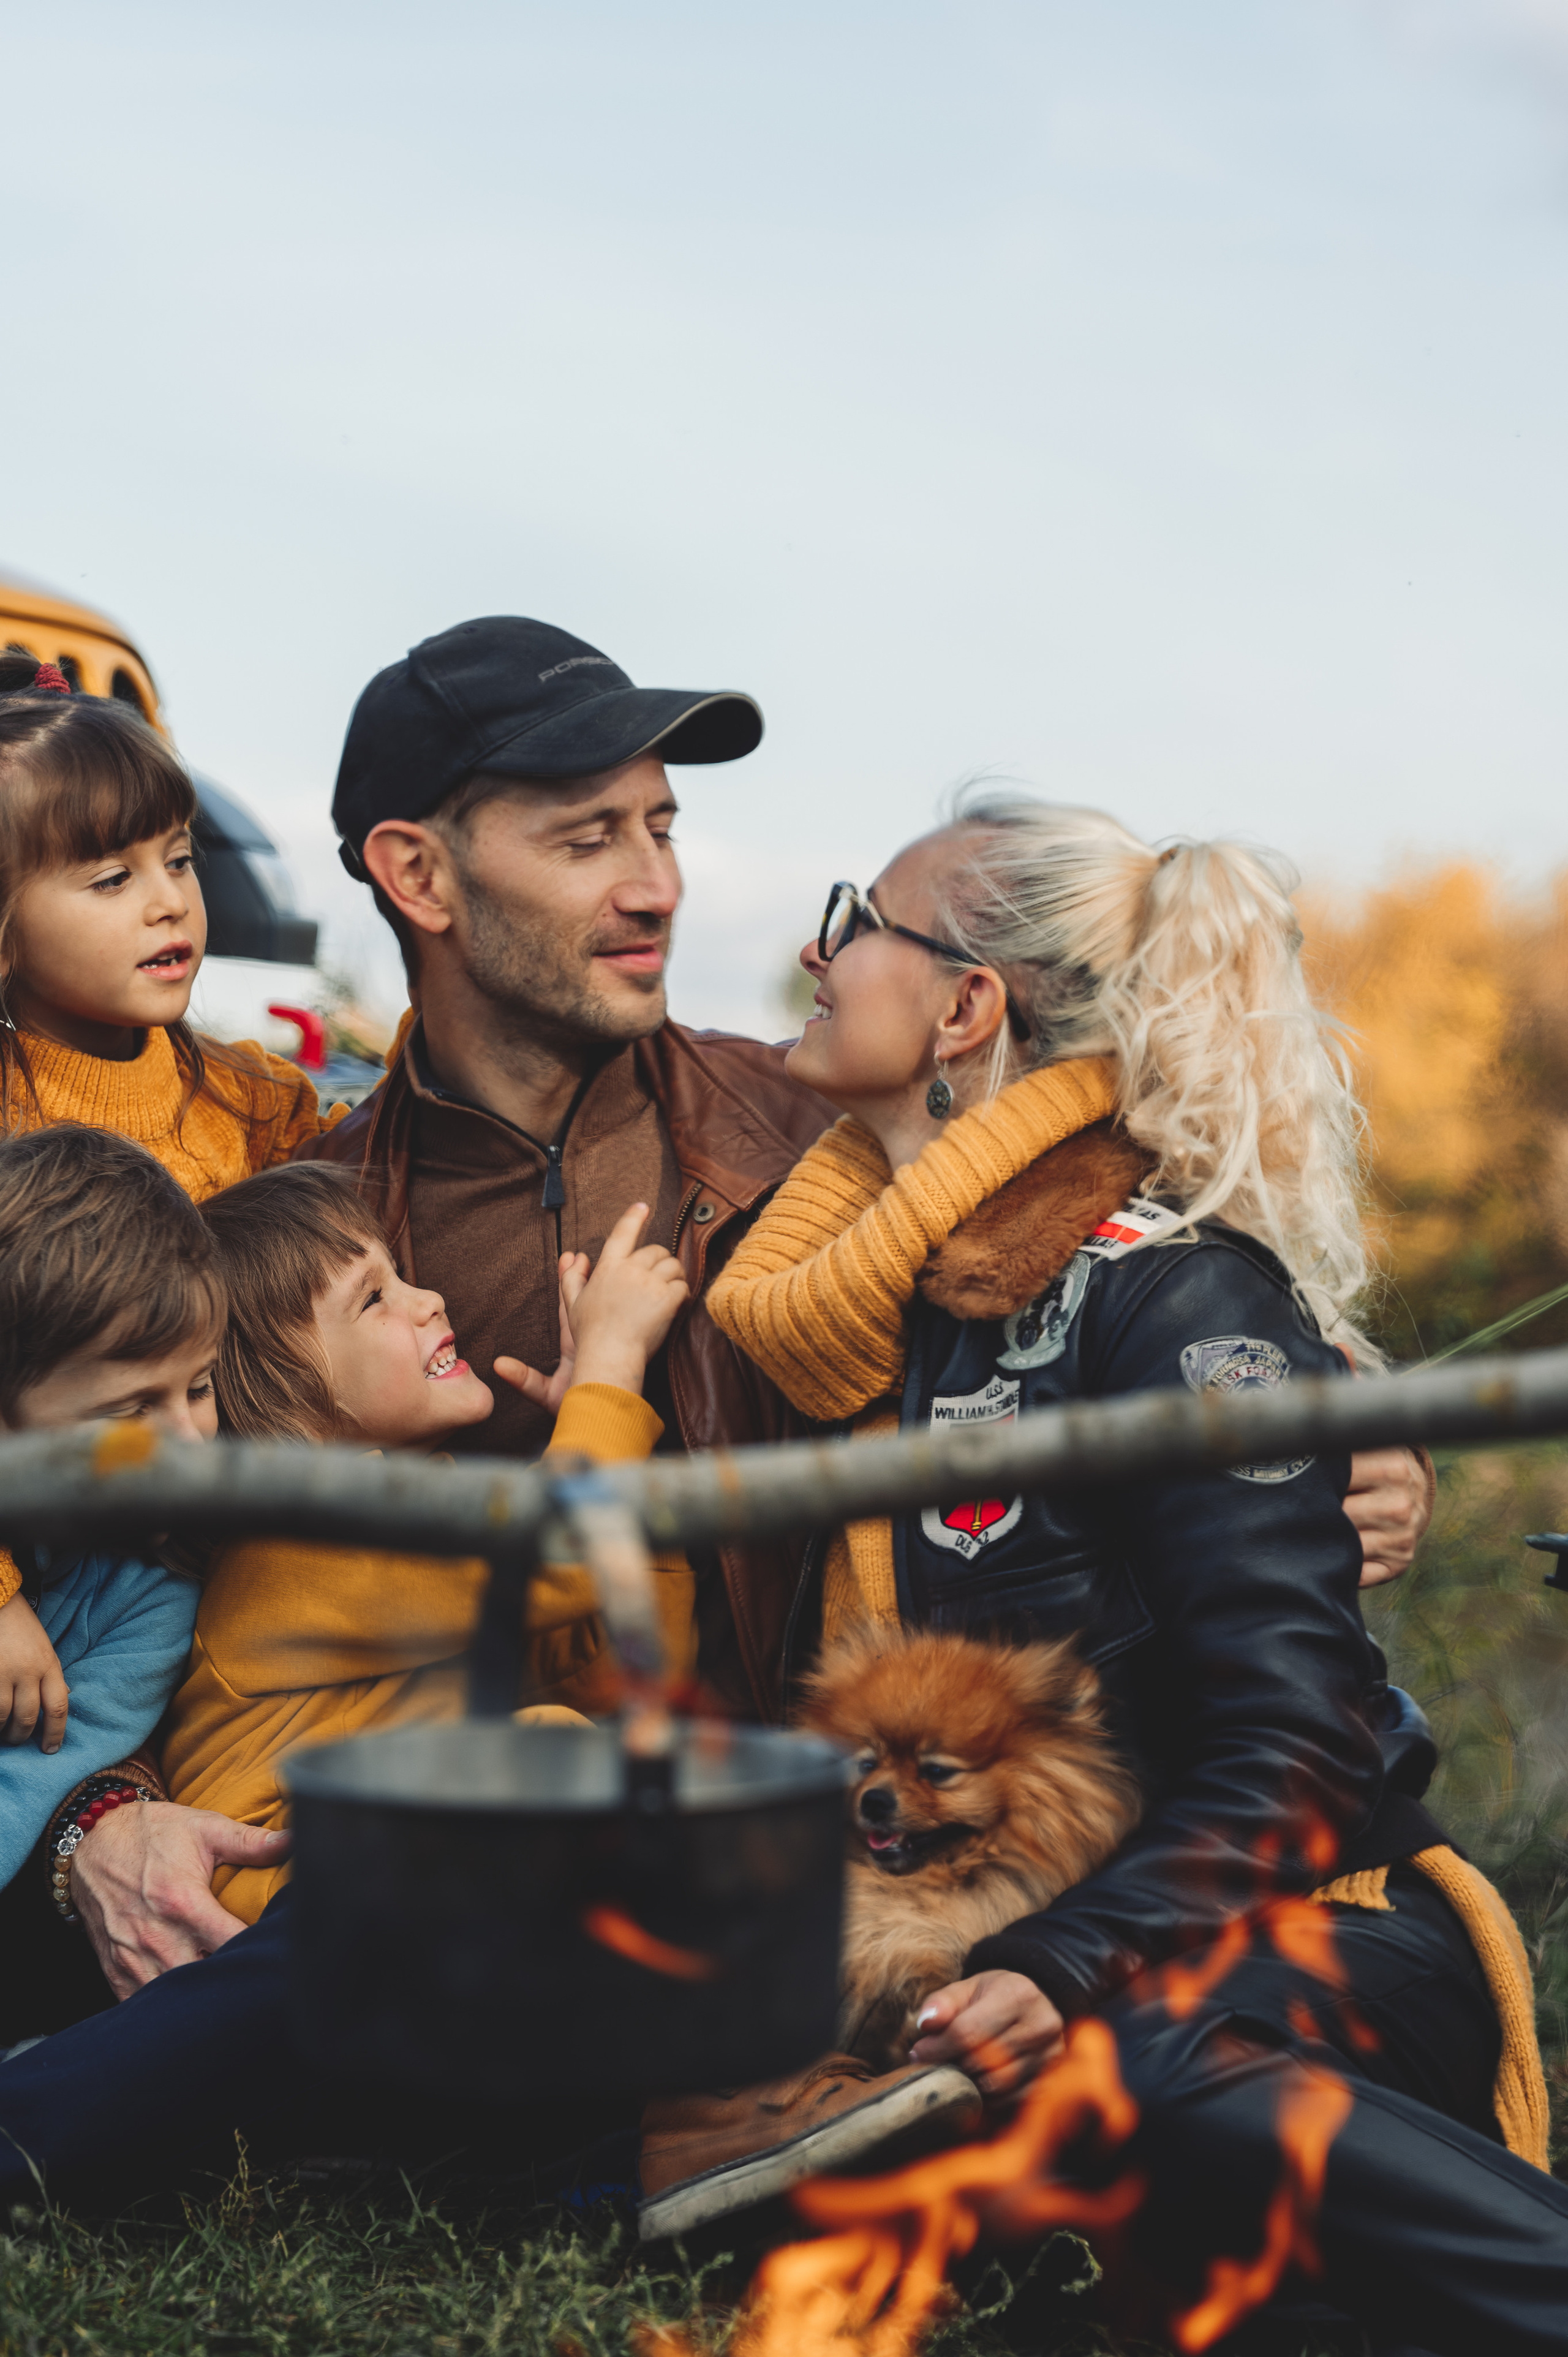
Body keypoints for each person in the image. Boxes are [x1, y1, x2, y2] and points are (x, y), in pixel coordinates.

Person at [666, 795, 1567, 2349]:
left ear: (964, 1005)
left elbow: (1300, 1747)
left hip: (1292, 1928)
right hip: (993, 1930)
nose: (812, 949)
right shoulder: (867, 1312)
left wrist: (1060, 1961)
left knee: (1103, 2070)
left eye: (854, 916)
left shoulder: (1170, 1302)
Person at [163, 1163, 689, 1913]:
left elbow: (622, 1677)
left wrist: (612, 1447)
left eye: (401, 1272)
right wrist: (611, 1370)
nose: (428, 1298)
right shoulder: (308, 1537)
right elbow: (558, 1560)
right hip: (276, 1892)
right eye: (374, 1298)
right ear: (287, 1405)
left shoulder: (407, 1530)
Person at [0, 1127, 240, 2044]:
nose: (188, 1442)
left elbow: (35, 1786)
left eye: (201, 1387)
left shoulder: (151, 1590)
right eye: (131, 1409)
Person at [0, 656, 334, 1192]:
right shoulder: (12, 1140)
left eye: (179, 860)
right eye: (112, 879)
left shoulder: (257, 1099)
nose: (170, 901)